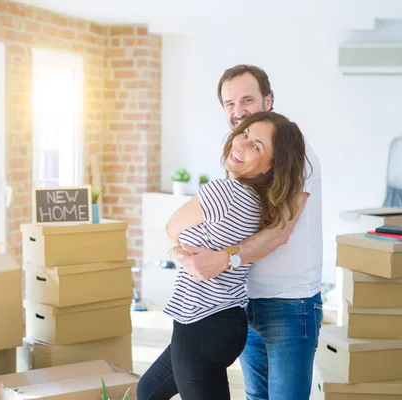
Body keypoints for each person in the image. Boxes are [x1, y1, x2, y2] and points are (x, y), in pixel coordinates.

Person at [172, 65, 323, 400]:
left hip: (289, 303)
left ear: (268, 100)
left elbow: (279, 232)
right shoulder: (238, 154)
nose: (237, 111)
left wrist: (226, 259)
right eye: (229, 103)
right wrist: (186, 253)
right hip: (242, 301)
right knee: (256, 396)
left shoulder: (296, 156)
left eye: (247, 100)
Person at [137, 111, 309, 400]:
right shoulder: (261, 204)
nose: (241, 145)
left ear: (269, 166)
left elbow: (171, 226)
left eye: (256, 146)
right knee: (149, 390)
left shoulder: (223, 192)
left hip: (201, 323)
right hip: (224, 323)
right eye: (244, 135)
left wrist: (178, 250)